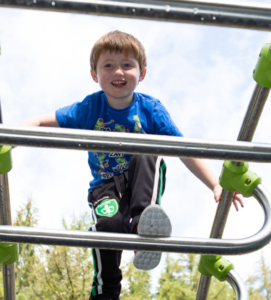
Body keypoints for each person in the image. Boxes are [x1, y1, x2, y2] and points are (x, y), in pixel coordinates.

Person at [18, 31, 244, 300]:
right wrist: (4, 139)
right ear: (94, 74)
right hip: (105, 188)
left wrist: (215, 185)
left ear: (142, 73)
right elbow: (42, 122)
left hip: (141, 181)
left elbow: (185, 149)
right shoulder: (90, 108)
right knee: (107, 226)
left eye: (127, 65)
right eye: (109, 65)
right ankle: (106, 291)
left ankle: (142, 225)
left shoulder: (150, 110)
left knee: (148, 147)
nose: (119, 72)